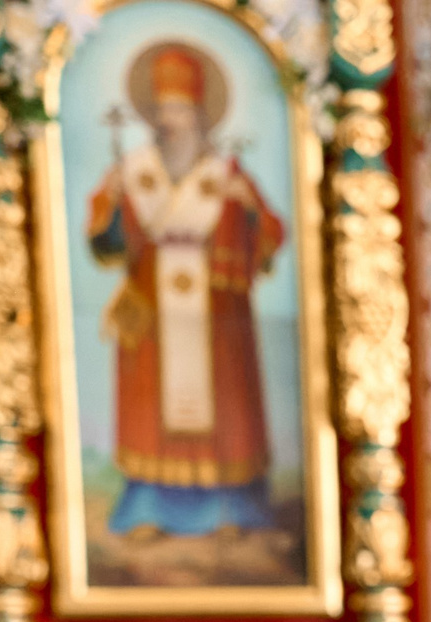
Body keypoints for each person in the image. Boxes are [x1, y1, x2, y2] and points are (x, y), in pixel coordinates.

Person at [88, 44, 284, 540]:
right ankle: (147, 510)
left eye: (180, 110)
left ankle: (227, 511)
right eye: (163, 110)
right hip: (152, 303)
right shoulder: (134, 172)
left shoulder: (226, 174)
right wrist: (110, 210)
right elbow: (109, 246)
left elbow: (270, 234)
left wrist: (250, 211)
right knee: (152, 405)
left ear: (201, 115)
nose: (171, 121)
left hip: (217, 312)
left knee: (223, 403)